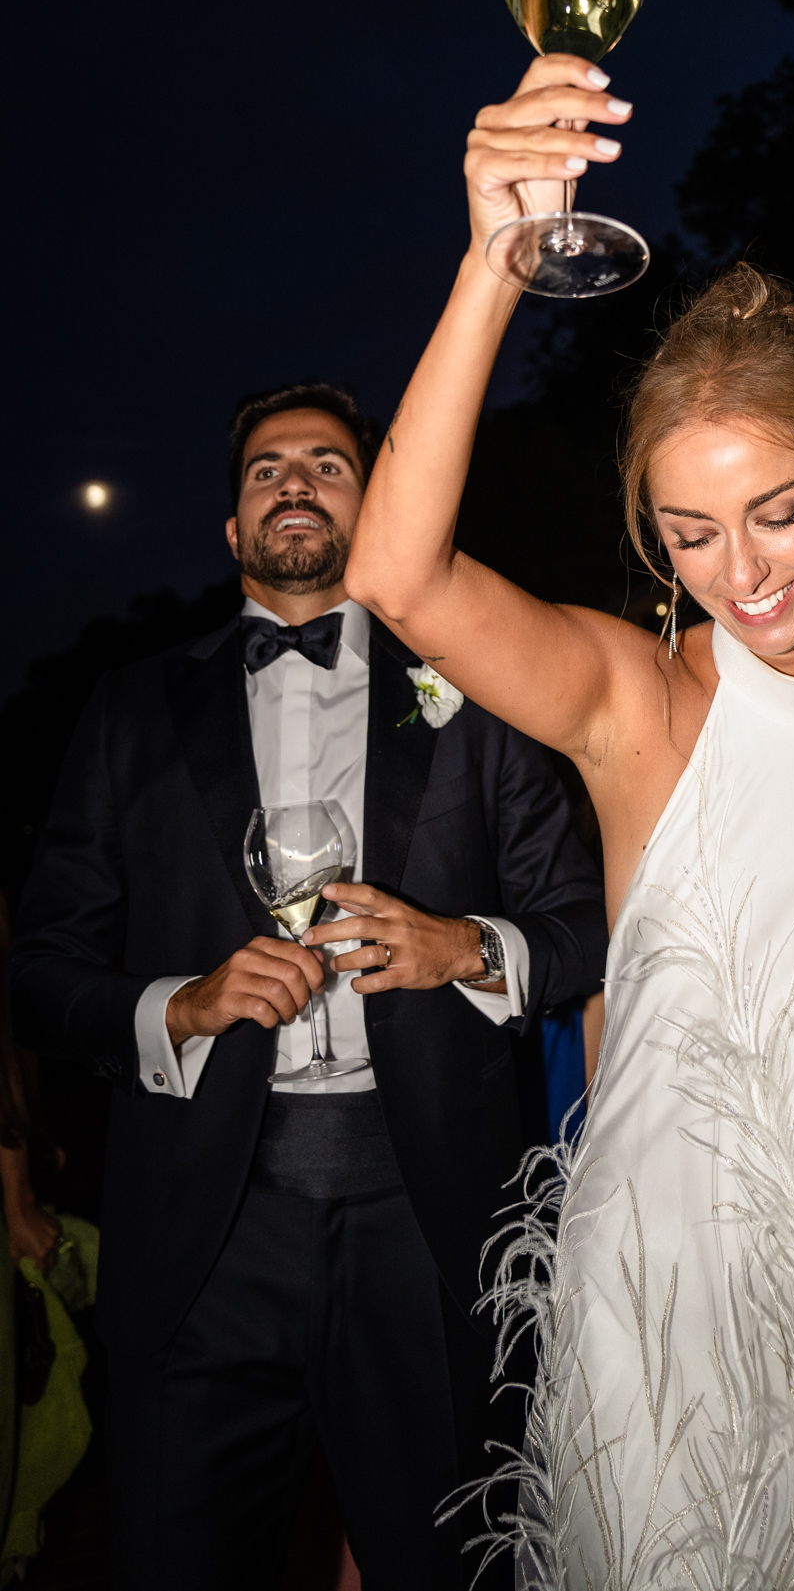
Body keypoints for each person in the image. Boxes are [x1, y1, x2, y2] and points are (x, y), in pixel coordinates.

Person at [337, 52, 794, 1591]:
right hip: (681, 1308)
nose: (738, 573)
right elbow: (396, 573)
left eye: (776, 512)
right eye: (688, 533)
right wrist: (496, 259)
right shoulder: (638, 704)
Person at [7, 379, 608, 1591]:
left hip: (428, 1222)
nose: (296, 481)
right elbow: (39, 975)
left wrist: (465, 949)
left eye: (329, 464)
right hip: (203, 1240)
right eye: (268, 468)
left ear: (374, 501)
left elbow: (592, 922)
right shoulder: (130, 710)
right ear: (232, 529)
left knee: (449, 1566)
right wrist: (180, 1006)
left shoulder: (475, 689)